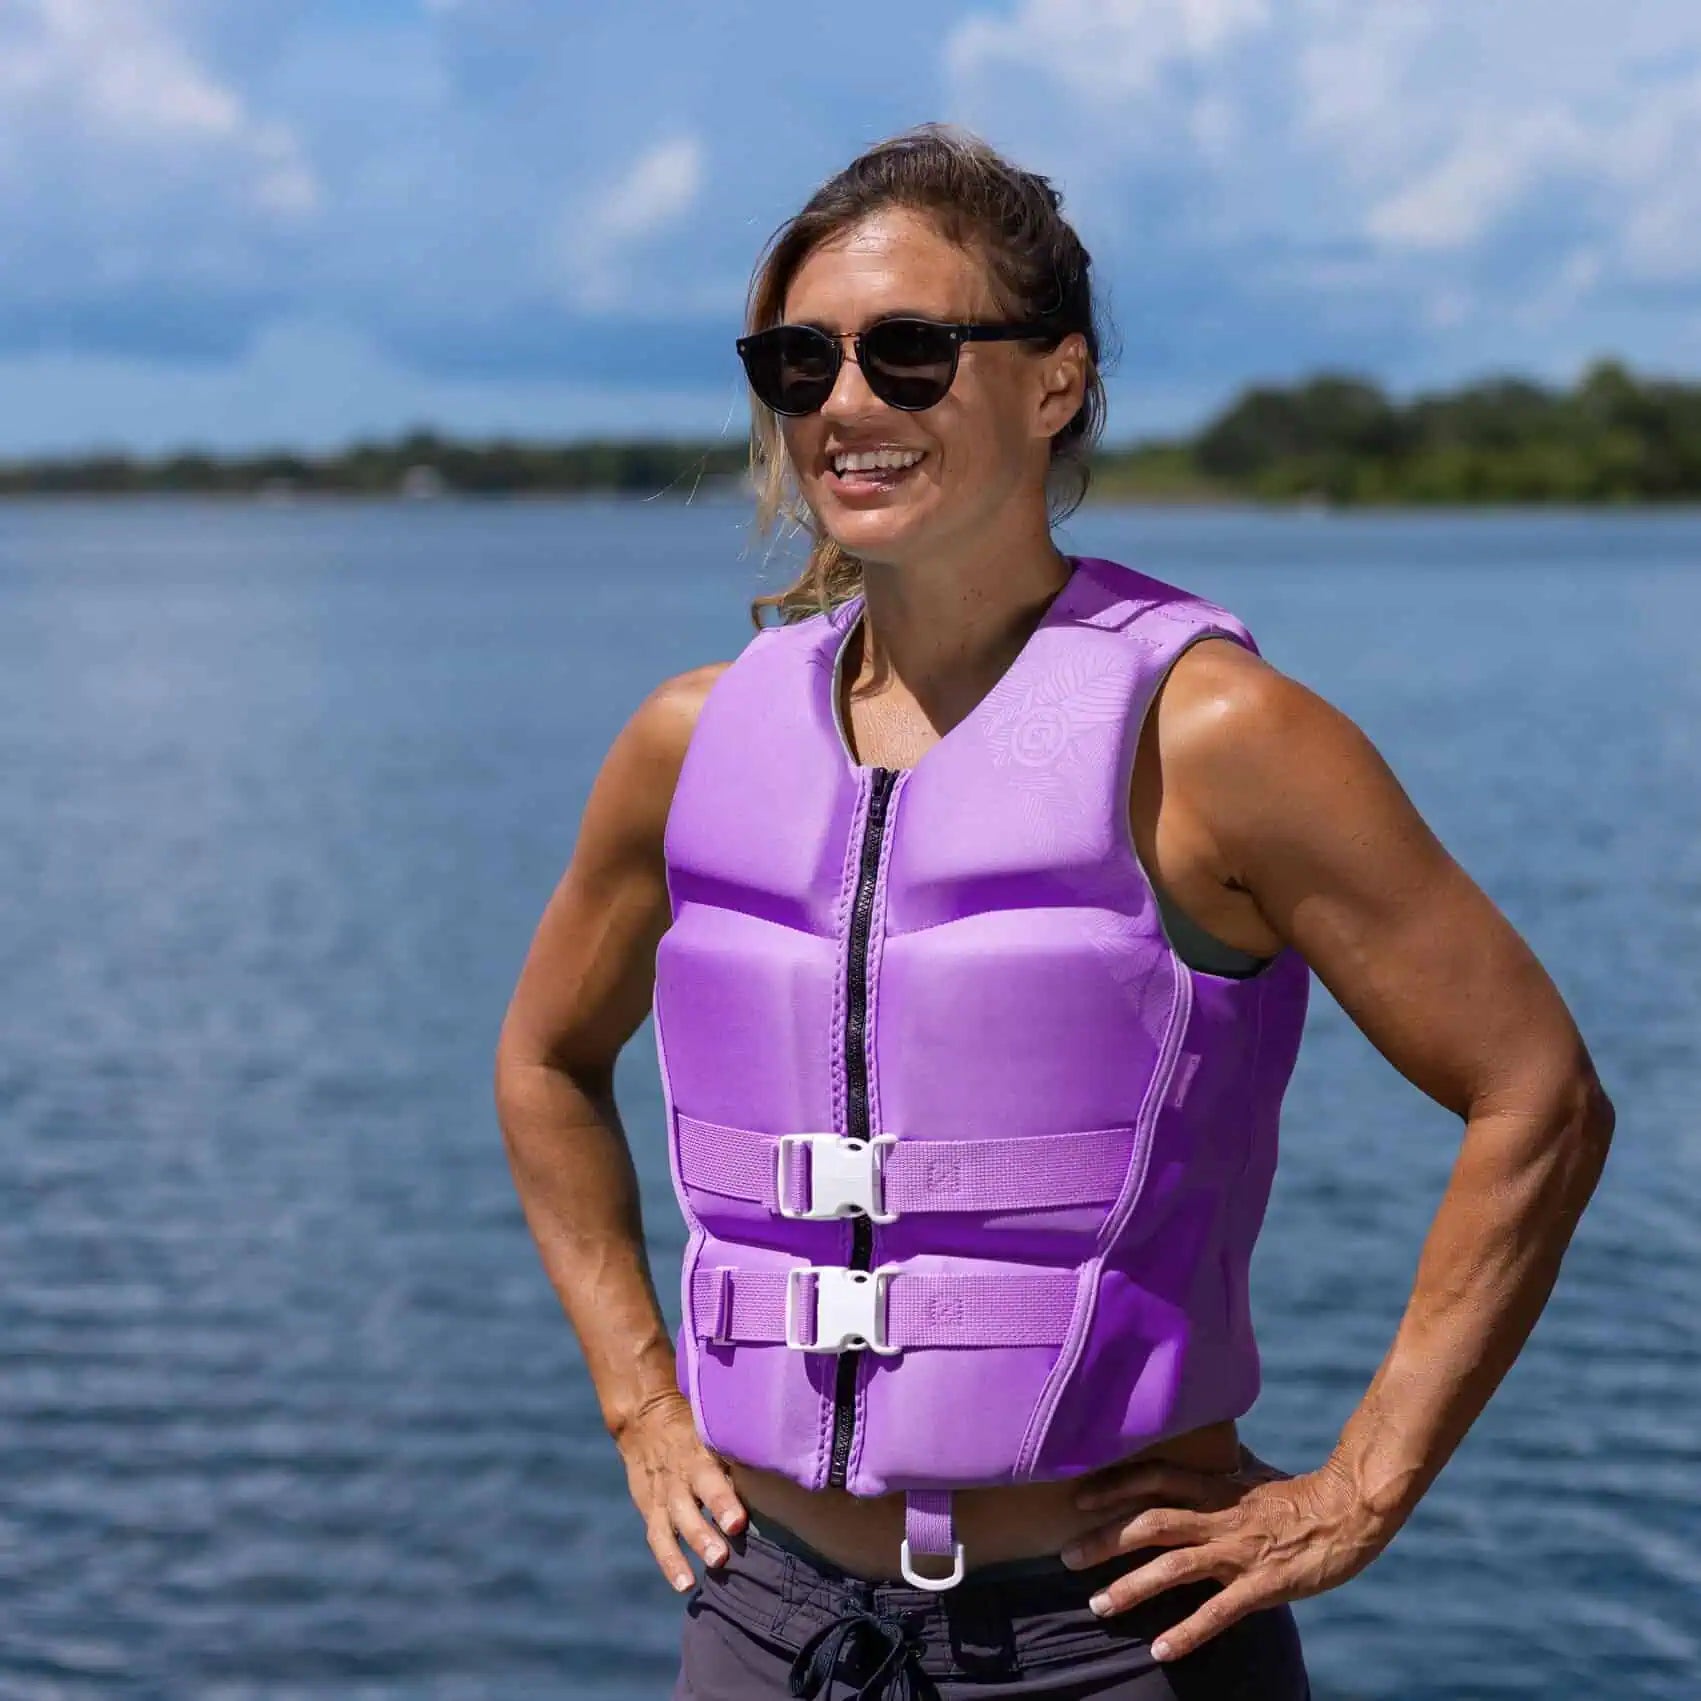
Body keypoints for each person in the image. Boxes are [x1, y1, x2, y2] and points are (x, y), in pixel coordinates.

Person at [493, 124, 1615, 1701]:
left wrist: (1359, 1489)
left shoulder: (1213, 736)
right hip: (764, 1623)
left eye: (908, 350)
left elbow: (1536, 1094)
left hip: (1111, 1646)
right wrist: (637, 1395)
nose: (847, 403)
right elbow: (543, 1062)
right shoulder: (690, 742)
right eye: (800, 362)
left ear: (1054, 381)